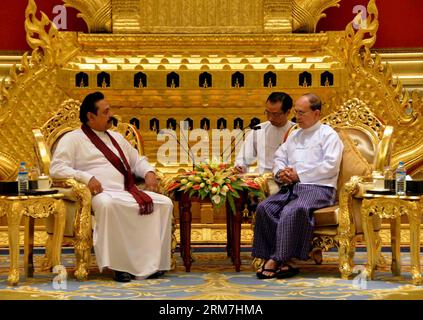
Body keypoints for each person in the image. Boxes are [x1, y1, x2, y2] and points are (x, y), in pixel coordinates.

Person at [50, 92, 173, 282]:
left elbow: (137, 160)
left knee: (164, 203)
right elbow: (57, 168)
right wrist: (86, 177)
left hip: (127, 191)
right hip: (101, 194)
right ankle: (119, 266)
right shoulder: (73, 139)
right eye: (106, 112)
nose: (111, 115)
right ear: (91, 116)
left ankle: (154, 264)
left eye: (110, 110)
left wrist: (149, 173)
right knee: (108, 205)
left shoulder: (117, 137)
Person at [252, 93, 344, 279]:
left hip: (319, 188)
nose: (297, 117)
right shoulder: (295, 135)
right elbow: (279, 157)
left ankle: (276, 259)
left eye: (301, 113)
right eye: (296, 112)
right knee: (265, 208)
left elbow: (330, 166)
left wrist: (299, 175)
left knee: (293, 210)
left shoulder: (328, 135)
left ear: (316, 113)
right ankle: (285, 262)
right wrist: (281, 173)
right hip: (292, 187)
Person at [235, 92, 294, 174]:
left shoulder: (296, 132)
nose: (270, 118)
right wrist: (240, 166)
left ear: (287, 113)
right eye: (267, 112)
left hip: (288, 179)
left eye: (275, 114)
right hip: (263, 178)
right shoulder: (259, 130)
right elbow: (244, 158)